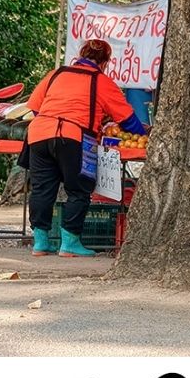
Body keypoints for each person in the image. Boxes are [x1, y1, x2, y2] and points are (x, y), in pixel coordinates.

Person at [25, 37, 148, 257]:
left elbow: (35, 107)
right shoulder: (101, 81)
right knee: (78, 189)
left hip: (39, 133)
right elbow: (128, 120)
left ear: (81, 55)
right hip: (74, 137)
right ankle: (69, 243)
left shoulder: (57, 74)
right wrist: (145, 133)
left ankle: (40, 242)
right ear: (105, 62)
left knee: (42, 189)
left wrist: (53, 122)